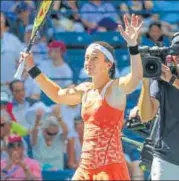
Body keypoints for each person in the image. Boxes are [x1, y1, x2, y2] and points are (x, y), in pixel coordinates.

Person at [21, 14, 143, 180]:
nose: (88, 62)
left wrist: (133, 45)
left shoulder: (115, 88)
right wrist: (32, 68)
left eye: (94, 58)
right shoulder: (85, 90)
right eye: (86, 58)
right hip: (85, 167)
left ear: (109, 64)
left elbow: (135, 78)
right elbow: (57, 94)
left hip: (109, 169)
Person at [137, 32, 179, 180]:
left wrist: (172, 80)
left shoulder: (169, 78)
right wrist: (146, 82)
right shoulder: (163, 78)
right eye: (176, 52)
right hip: (167, 159)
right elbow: (146, 115)